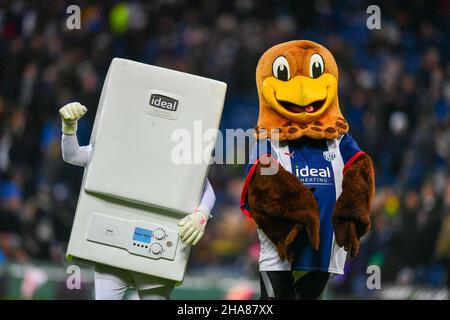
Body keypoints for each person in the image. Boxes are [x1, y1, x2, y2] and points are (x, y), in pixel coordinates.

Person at [59, 102, 215, 300]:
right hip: (113, 251)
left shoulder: (178, 157)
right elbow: (73, 155)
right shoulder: (113, 146)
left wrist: (202, 214)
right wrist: (69, 129)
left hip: (157, 254)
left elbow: (205, 186)